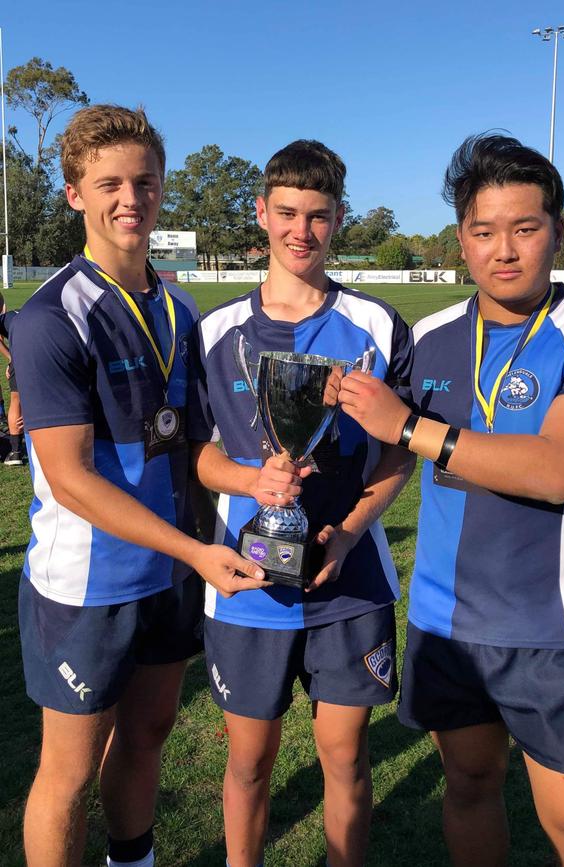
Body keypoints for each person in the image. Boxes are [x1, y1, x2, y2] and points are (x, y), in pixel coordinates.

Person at [338, 134, 564, 867]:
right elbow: (383, 453)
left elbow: (557, 468)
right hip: (447, 624)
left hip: (554, 631)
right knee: (469, 786)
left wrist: (411, 426)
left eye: (525, 227)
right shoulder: (432, 337)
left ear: (558, 232)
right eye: (484, 231)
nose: (504, 249)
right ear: (462, 241)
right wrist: (342, 526)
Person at [10, 104, 269, 867]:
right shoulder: (51, 316)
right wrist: (193, 550)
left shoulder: (180, 306)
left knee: (149, 732)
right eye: (110, 183)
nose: (132, 198)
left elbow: (193, 443)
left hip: (170, 569)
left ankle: (135, 858)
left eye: (145, 181)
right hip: (86, 583)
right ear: (74, 195)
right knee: (67, 771)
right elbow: (71, 477)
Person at [189, 139, 415, 867]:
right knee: (249, 760)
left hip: (349, 580)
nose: (301, 231)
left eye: (318, 216)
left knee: (345, 758)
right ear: (261, 213)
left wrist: (350, 531)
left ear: (339, 218)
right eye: (286, 212)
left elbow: (397, 448)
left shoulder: (377, 327)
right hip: (248, 581)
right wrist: (250, 481)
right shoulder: (216, 332)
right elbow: (197, 453)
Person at [0, 293, 24, 463]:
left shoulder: (5, 319)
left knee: (16, 399)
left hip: (23, 350)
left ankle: (15, 452)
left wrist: (11, 358)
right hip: (51, 347)